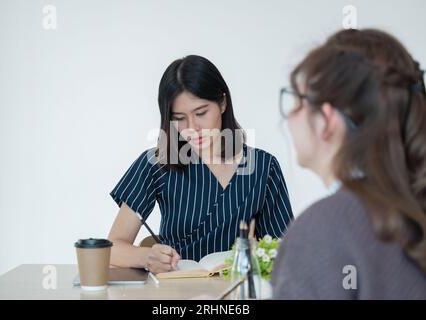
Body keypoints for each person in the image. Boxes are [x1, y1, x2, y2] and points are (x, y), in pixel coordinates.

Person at [271, 29, 426, 299]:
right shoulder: (410, 202)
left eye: (297, 100)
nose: (290, 117)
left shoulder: (322, 231)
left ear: (327, 120)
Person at [108, 55, 293, 274]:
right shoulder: (156, 163)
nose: (192, 127)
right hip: (174, 296)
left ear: (222, 103)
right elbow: (111, 249)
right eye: (179, 118)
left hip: (235, 295)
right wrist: (146, 257)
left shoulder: (263, 167)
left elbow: (283, 251)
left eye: (201, 113)